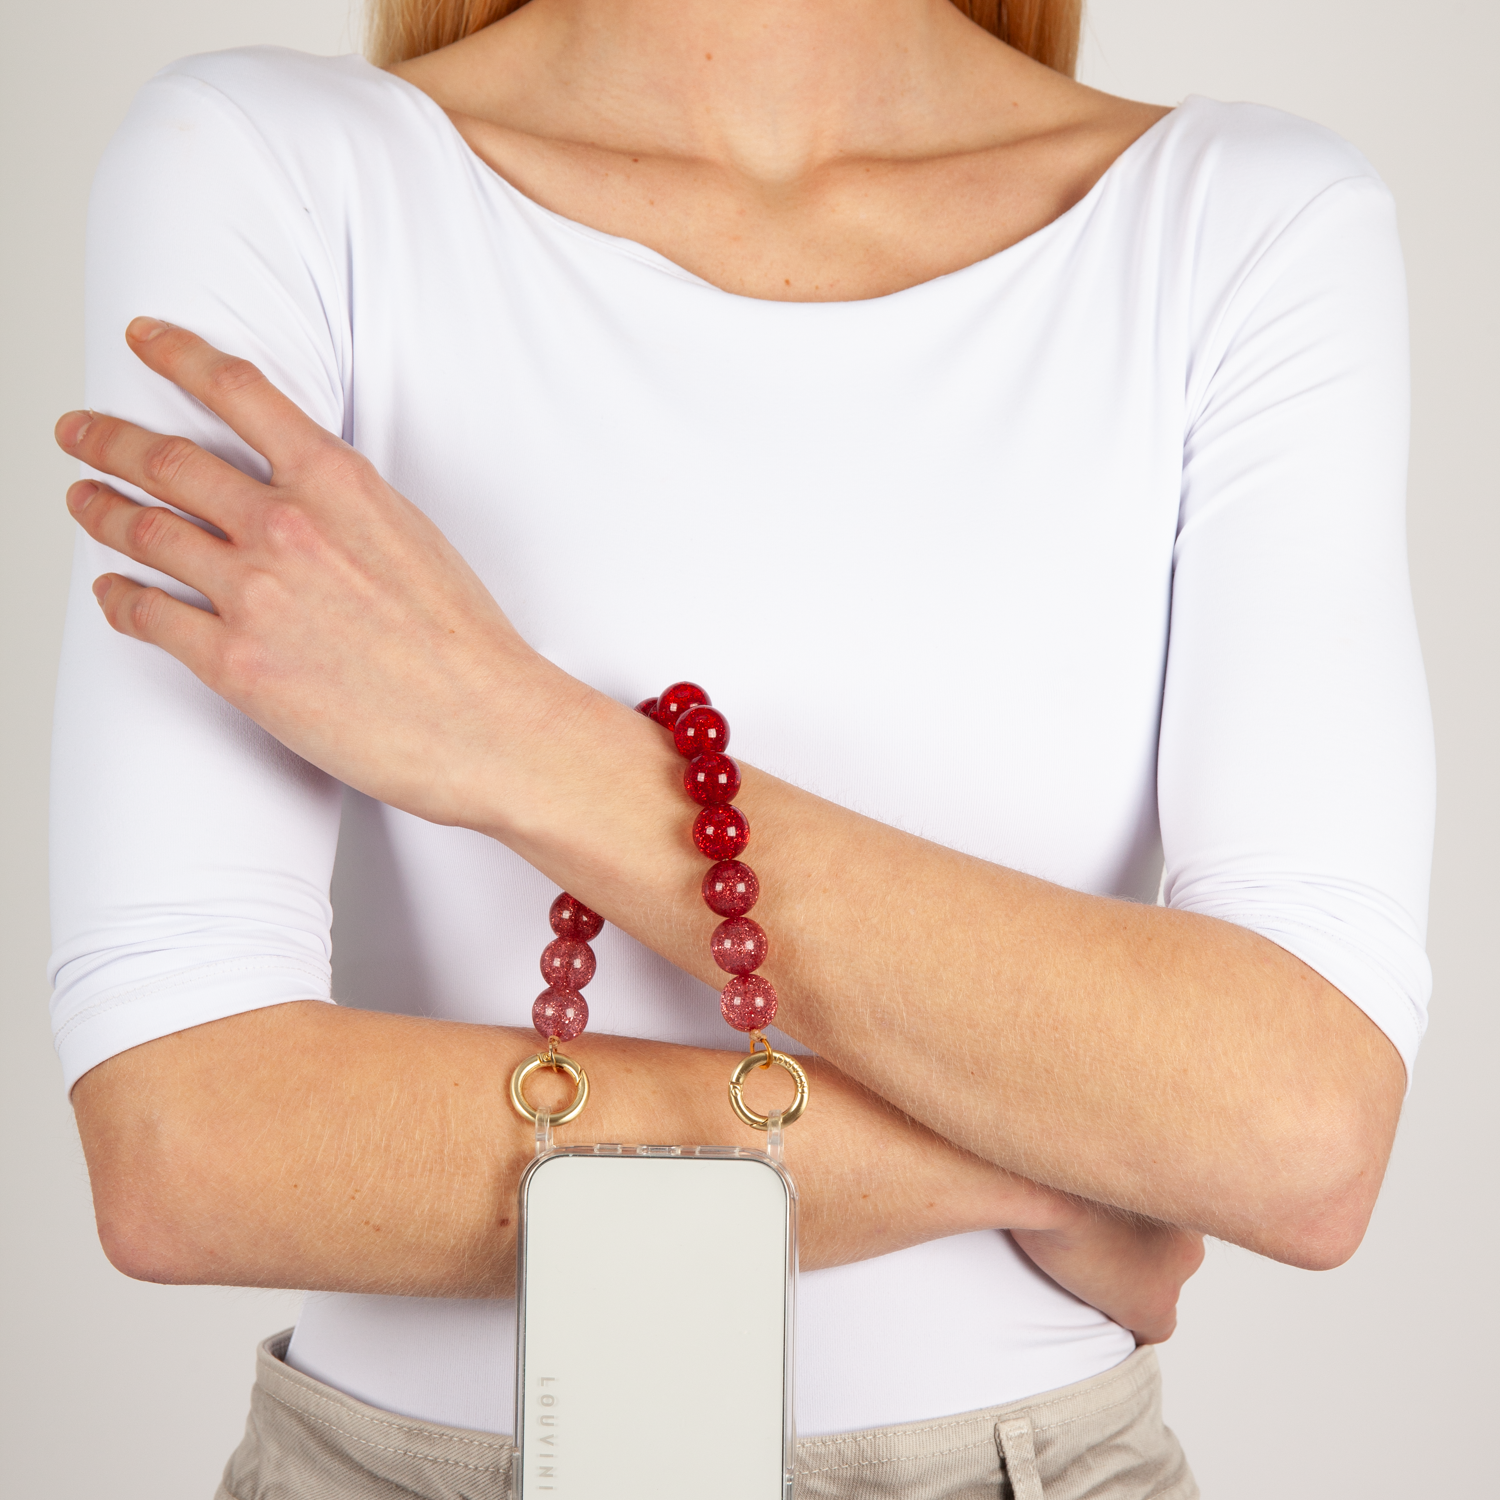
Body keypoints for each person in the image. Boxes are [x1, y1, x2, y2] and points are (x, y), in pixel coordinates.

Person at [48, 0, 1433, 1494]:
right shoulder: (275, 168)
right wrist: (1045, 1163)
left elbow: (1298, 1127)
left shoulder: (1242, 226)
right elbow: (190, 1151)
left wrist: (520, 746)